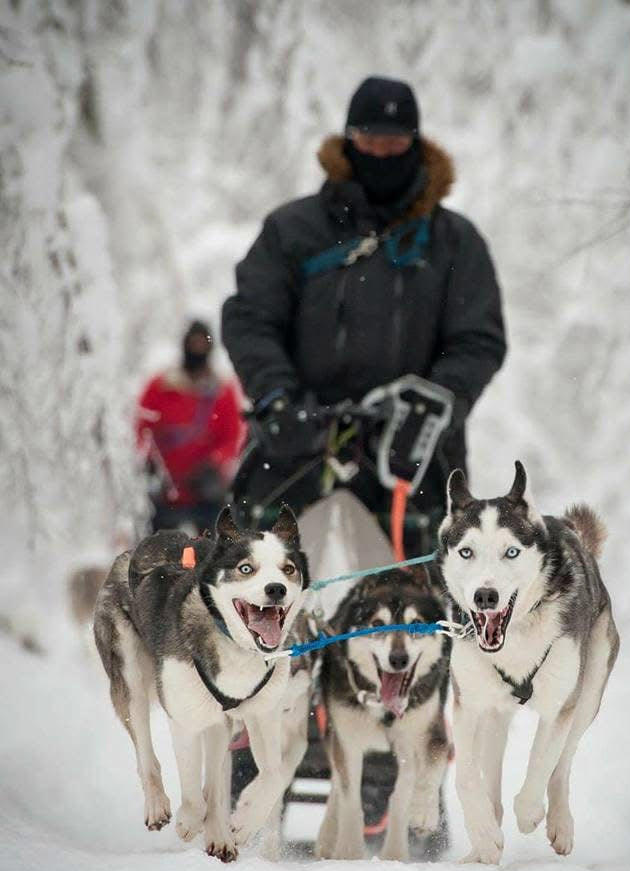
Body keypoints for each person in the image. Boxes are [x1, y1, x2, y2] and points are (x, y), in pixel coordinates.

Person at [222, 75, 506, 545]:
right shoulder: (292, 229)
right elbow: (250, 319)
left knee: (427, 605)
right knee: (249, 587)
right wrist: (277, 398)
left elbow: (478, 339)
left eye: (393, 142)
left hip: (412, 458)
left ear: (415, 144)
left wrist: (433, 405)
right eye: (369, 140)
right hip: (298, 445)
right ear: (348, 141)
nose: (380, 153)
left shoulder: (454, 241)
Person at [136, 320, 243, 534]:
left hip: (206, 493)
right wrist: (151, 462)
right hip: (166, 493)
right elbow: (142, 427)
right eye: (193, 342)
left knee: (214, 554)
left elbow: (233, 435)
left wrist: (214, 465)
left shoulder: (222, 391)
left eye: (203, 343)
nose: (197, 348)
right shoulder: (160, 386)